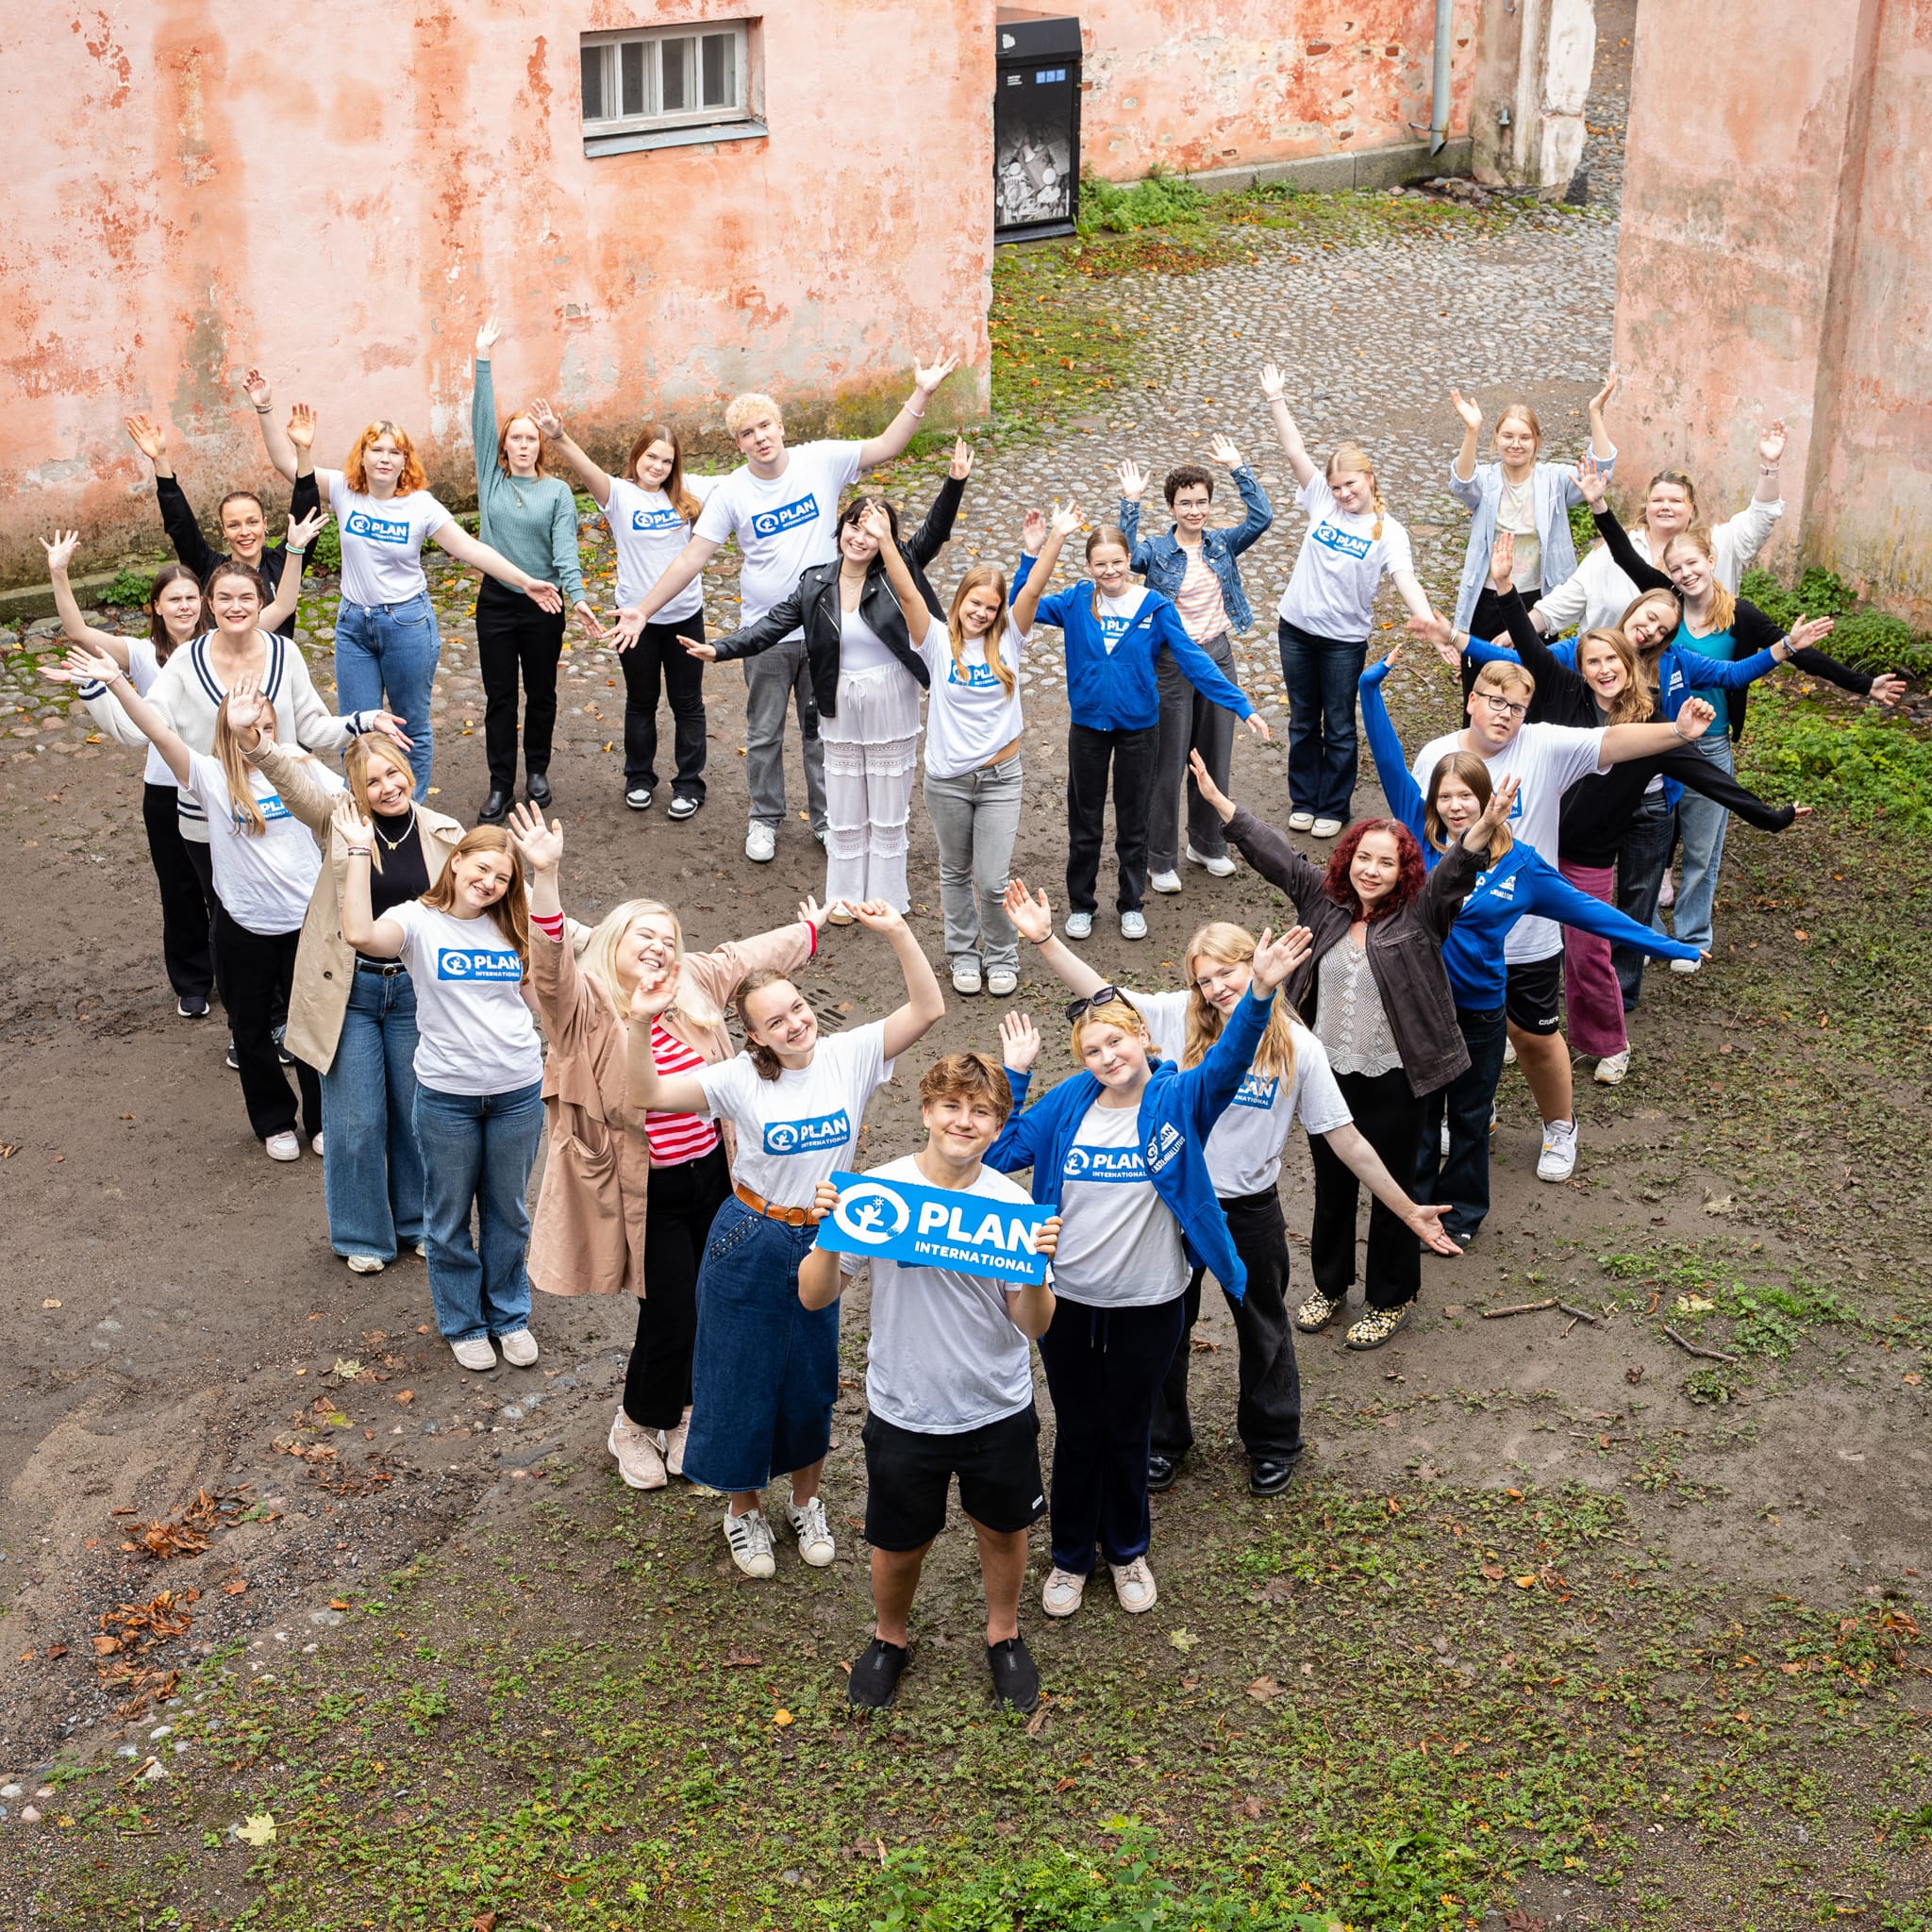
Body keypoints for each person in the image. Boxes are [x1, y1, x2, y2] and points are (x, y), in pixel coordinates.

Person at [1006, 883, 1457, 1489]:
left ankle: (1273, 1438)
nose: (1216, 988)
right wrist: (1044, 939)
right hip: (1168, 1206)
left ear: (1256, 964)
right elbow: (1101, 998)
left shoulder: (1298, 1047)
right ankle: (1162, 1437)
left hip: (1248, 1209)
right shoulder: (1173, 1019)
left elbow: (1346, 1139)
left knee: (1262, 1323)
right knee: (1165, 1321)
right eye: (1204, 980)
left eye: (1228, 972)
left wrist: (1405, 1210)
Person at [984, 928, 1302, 1618]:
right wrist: (1015, 1076)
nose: (1107, 1058)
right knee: (1075, 1427)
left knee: (1129, 1428)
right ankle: (1069, 1558)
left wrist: (1261, 992)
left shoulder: (1178, 1097)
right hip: (1065, 1299)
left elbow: (1229, 1061)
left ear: (1143, 1040)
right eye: (1092, 1051)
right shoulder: (1068, 1103)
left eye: (1117, 1042)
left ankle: (1126, 1551)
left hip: (1152, 1300)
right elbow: (1000, 1150)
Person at [508, 802, 822, 1491]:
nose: (659, 946)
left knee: (710, 1303)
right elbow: (551, 968)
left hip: (713, 1175)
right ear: (613, 944)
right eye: (643, 935)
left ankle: (680, 1415)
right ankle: (632, 1423)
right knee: (673, 1308)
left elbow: (744, 956)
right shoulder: (588, 1005)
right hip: (640, 1186)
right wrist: (547, 876)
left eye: (669, 937)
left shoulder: (693, 988)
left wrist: (811, 929)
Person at [625, 903, 945, 1576]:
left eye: (798, 1008)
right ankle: (744, 1511)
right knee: (738, 1377)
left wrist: (896, 932)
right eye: (777, 1021)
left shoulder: (848, 1055)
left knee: (809, 1378)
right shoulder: (737, 1079)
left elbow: (927, 1008)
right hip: (749, 1234)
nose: (796, 1023)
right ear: (755, 1037)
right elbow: (647, 1091)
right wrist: (640, 1021)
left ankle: (806, 1502)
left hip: (825, 1238)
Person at [1357, 650, 1718, 1242]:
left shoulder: (1522, 867)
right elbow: (1389, 755)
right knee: (1418, 1115)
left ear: (1492, 803)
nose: (1455, 806)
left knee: (1475, 1110)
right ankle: (1413, 1210)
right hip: (1418, 1003)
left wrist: (1666, 944)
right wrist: (1370, 689)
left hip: (1479, 1007)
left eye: (1467, 798)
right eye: (1445, 797)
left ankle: (1472, 1207)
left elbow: (1594, 913)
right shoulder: (1417, 841)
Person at [1424, 540, 1814, 1078]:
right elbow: (1529, 656)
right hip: (1526, 844)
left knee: (1587, 953)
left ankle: (1608, 1042)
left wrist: (1771, 817)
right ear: (1582, 667)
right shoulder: (1563, 693)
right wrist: (1506, 588)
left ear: (1631, 666)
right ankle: (1509, 1025)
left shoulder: (1650, 725)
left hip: (1586, 853)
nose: (1605, 669)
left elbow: (1707, 775)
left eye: (1614, 661)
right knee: (1497, 936)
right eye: (1595, 661)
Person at [1189, 755, 1488, 1346]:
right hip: (1327, 1073)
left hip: (1399, 1076)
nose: (1371, 871)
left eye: (1385, 861)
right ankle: (1329, 1286)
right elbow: (1275, 855)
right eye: (1362, 858)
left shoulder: (1422, 916)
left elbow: (1455, 871)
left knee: (1393, 1184)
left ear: (1403, 869)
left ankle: (1391, 1296)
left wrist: (1481, 829)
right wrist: (1224, 806)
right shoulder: (1322, 904)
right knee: (1332, 1182)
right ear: (1346, 860)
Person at [611, 359, 962, 863]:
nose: (758, 438)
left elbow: (887, 445)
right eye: (746, 433)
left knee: (823, 732)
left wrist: (922, 394)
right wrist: (643, 610)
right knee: (764, 733)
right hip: (767, 631)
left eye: (764, 427)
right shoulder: (733, 491)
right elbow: (692, 557)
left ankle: (826, 820)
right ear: (739, 443)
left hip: (829, 628)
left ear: (781, 427)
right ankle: (764, 820)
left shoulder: (821, 459)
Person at [797, 1052, 1059, 1713]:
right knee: (898, 1539)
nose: (963, 1121)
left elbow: (1033, 1324)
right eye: (952, 1106)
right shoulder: (878, 1193)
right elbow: (812, 1297)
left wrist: (1033, 1272)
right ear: (925, 1112)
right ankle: (889, 1639)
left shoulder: (1011, 1203)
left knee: (1002, 1530)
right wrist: (828, 1235)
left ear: (999, 1126)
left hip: (995, 1404)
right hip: (903, 1405)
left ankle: (1004, 1634)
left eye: (980, 1111)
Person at [1566, 460, 1905, 970]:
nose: (1684, 574)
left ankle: (1693, 933)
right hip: (1656, 736)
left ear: (1711, 560)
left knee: (1704, 844)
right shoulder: (1666, 605)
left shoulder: (1740, 615)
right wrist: (1598, 504)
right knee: (1654, 839)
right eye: (1675, 569)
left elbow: (1791, 653)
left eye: (1692, 565)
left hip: (1711, 739)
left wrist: (1862, 684)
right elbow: (1619, 551)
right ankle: (1649, 931)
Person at [72, 552, 392, 1067]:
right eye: (224, 598)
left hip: (285, 816)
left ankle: (290, 1021)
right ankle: (248, 1028)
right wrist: (99, 687)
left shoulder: (284, 654)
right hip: (211, 821)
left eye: (246, 597)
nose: (236, 606)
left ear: (261, 601)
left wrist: (362, 720)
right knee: (231, 922)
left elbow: (311, 729)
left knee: (296, 917)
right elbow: (141, 731)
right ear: (210, 606)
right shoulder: (185, 661)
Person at [61, 656, 336, 1160]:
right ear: (227, 733)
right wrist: (117, 682)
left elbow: (358, 806)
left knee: (311, 1028)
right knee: (250, 1030)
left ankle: (322, 1120)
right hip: (242, 927)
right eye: (248, 727)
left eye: (268, 726)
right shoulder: (209, 777)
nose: (260, 735)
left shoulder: (303, 767)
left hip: (306, 924)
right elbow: (158, 732)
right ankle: (274, 1121)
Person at [251, 384, 563, 799]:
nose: (384, 458)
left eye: (394, 452)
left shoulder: (421, 505)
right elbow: (285, 463)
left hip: (407, 625)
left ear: (404, 461)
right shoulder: (346, 490)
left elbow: (471, 548)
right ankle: (360, 817)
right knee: (356, 726)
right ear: (362, 456)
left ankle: (411, 815)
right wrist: (265, 409)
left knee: (410, 724)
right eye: (376, 449)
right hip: (353, 626)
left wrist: (524, 581)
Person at [247, 724, 464, 1274]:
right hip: (350, 991)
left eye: (393, 772)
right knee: (356, 1119)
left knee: (417, 1114)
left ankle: (416, 1222)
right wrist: (257, 744)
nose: (387, 787)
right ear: (354, 789)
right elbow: (293, 785)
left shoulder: (445, 832)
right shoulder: (339, 821)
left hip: (418, 992)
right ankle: (361, 1233)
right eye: (372, 781)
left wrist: (577, 937)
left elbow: (494, 897)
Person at [689, 484, 965, 912]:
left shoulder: (899, 569)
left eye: (874, 531)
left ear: (887, 541)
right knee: (845, 805)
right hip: (839, 703)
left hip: (890, 699)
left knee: (888, 806)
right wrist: (721, 648)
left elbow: (937, 529)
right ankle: (844, 896)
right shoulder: (815, 583)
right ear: (840, 529)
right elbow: (771, 626)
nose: (861, 537)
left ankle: (885, 896)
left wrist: (954, 481)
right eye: (855, 525)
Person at [337, 808, 546, 1374]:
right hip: (447, 1097)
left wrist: (544, 876)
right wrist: (360, 851)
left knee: (509, 1212)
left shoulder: (513, 924)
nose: (490, 884)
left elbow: (540, 998)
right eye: (482, 870)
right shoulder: (417, 921)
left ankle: (509, 1315)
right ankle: (463, 1322)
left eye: (502, 878)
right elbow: (360, 934)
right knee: (448, 1216)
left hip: (517, 1091)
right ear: (455, 863)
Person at [1010, 501, 1269, 943]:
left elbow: (1196, 662)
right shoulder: (1075, 601)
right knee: (1085, 822)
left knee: (1134, 820)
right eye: (1100, 565)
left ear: (1130, 560)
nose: (1110, 572)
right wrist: (1031, 555)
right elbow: (1022, 607)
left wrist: (1242, 706)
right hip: (1089, 728)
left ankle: (1131, 903)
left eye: (1117, 563)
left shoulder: (1154, 606)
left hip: (1139, 730)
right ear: (1089, 566)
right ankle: (1081, 905)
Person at [42, 536, 214, 1016]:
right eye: (173, 599)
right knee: (178, 889)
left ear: (202, 601)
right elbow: (78, 631)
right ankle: (193, 981)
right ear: (156, 607)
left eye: (190, 597)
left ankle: (234, 969)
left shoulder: (221, 645)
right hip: (164, 789)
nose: (183, 606)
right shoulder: (140, 654)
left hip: (218, 784)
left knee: (225, 886)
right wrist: (59, 572)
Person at [1261, 362, 1435, 836]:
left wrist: (1428, 621)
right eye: (1336, 487)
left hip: (1342, 641)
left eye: (1350, 486)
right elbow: (1293, 449)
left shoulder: (1388, 531)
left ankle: (1334, 805)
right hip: (1295, 627)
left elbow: (1405, 580)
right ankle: (1304, 797)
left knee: (1338, 724)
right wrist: (1277, 398)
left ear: (1369, 479)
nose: (1341, 494)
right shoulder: (1319, 498)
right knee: (1302, 720)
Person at [529, 400, 717, 816]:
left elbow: (745, 481)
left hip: (685, 613)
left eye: (667, 461)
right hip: (634, 621)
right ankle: (639, 777)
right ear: (637, 456)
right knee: (641, 699)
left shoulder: (693, 493)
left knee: (687, 702)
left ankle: (689, 783)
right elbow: (585, 468)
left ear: (676, 465)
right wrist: (557, 435)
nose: (658, 466)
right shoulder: (619, 495)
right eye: (651, 456)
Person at [1116, 437, 1274, 894]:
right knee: (1169, 761)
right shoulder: (1155, 550)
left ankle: (1207, 844)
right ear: (1171, 506)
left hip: (1218, 655)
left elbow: (1261, 518)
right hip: (1171, 663)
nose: (1194, 511)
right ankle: (1159, 857)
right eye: (1185, 503)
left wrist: (1238, 466)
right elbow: (1123, 558)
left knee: (1215, 755)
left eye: (1201, 502)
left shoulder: (1221, 544)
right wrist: (1130, 502)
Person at [468, 318, 602, 824]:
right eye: (514, 438)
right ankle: (501, 783)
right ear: (503, 446)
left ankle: (538, 770)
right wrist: (483, 358)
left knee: (541, 690)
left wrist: (579, 596)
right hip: (498, 602)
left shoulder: (557, 493)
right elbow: (482, 418)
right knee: (501, 696)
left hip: (545, 604)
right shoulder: (492, 481)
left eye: (530, 439)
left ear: (538, 446)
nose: (522, 445)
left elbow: (565, 551)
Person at [1528, 420, 1791, 638]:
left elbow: (1761, 517)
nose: (1666, 507)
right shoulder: (1613, 551)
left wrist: (1770, 467)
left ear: (1692, 509)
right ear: (1647, 507)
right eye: (1657, 500)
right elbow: (1566, 600)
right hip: (1610, 672)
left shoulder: (1719, 544)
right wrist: (1521, 630)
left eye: (1676, 501)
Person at [921, 536, 1034, 998]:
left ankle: (1002, 955)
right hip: (946, 781)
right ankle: (964, 954)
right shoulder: (934, 640)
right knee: (954, 869)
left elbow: (1035, 586)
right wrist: (886, 539)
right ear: (959, 600)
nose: (981, 613)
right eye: (974, 602)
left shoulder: (1010, 638)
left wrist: (1050, 543)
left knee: (991, 880)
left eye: (991, 607)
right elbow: (908, 590)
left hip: (1001, 779)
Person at [125, 397, 319, 641]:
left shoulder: (284, 562)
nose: (245, 532)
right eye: (234, 525)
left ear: (265, 524)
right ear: (223, 531)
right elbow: (181, 527)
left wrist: (303, 451)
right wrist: (160, 461)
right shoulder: (209, 567)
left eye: (252, 522)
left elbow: (307, 518)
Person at [1446, 372, 1618, 635]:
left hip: (1538, 598)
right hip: (1487, 595)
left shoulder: (1554, 480)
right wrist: (1472, 431)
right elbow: (1463, 482)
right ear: (1496, 438)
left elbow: (1601, 469)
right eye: (1508, 437)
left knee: (1534, 673)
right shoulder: (1487, 480)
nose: (1516, 444)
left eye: (1524, 437)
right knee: (1483, 671)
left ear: (1536, 440)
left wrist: (1595, 411)